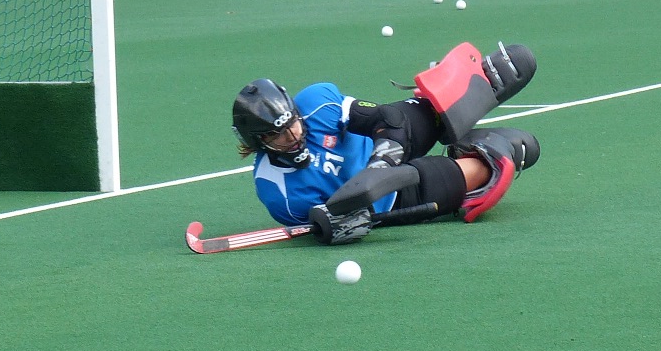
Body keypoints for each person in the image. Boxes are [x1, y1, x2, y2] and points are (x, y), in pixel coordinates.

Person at [231, 41, 542, 244]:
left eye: (293, 123)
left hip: (386, 145)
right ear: (259, 143)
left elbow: (385, 119)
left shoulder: (316, 103)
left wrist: (381, 162)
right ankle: (482, 151)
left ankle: (479, 85)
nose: (293, 135)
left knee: (430, 108)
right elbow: (325, 224)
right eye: (279, 134)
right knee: (515, 151)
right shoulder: (277, 193)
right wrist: (337, 226)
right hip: (394, 197)